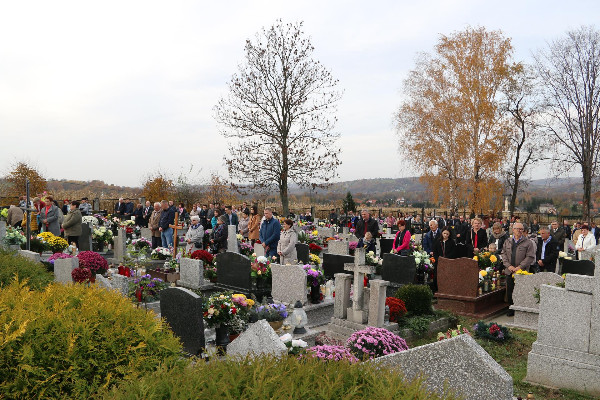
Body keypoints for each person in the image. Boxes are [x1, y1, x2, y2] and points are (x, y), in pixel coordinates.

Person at [502, 222, 536, 316]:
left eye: (521, 229)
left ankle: (521, 309)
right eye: (517, 229)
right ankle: (511, 308)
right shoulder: (507, 241)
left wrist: (520, 267)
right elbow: (503, 254)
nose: (520, 231)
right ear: (513, 230)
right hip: (510, 270)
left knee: (521, 291)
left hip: (522, 272)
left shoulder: (528, 242)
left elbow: (530, 257)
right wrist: (509, 266)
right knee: (510, 291)